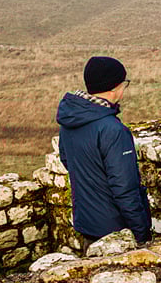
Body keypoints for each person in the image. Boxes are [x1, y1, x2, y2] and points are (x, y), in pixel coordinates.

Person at [56, 56, 152, 247]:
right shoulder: (113, 130)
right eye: (124, 83)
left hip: (86, 224)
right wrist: (142, 233)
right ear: (114, 87)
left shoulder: (70, 121)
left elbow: (68, 161)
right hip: (116, 232)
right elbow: (125, 189)